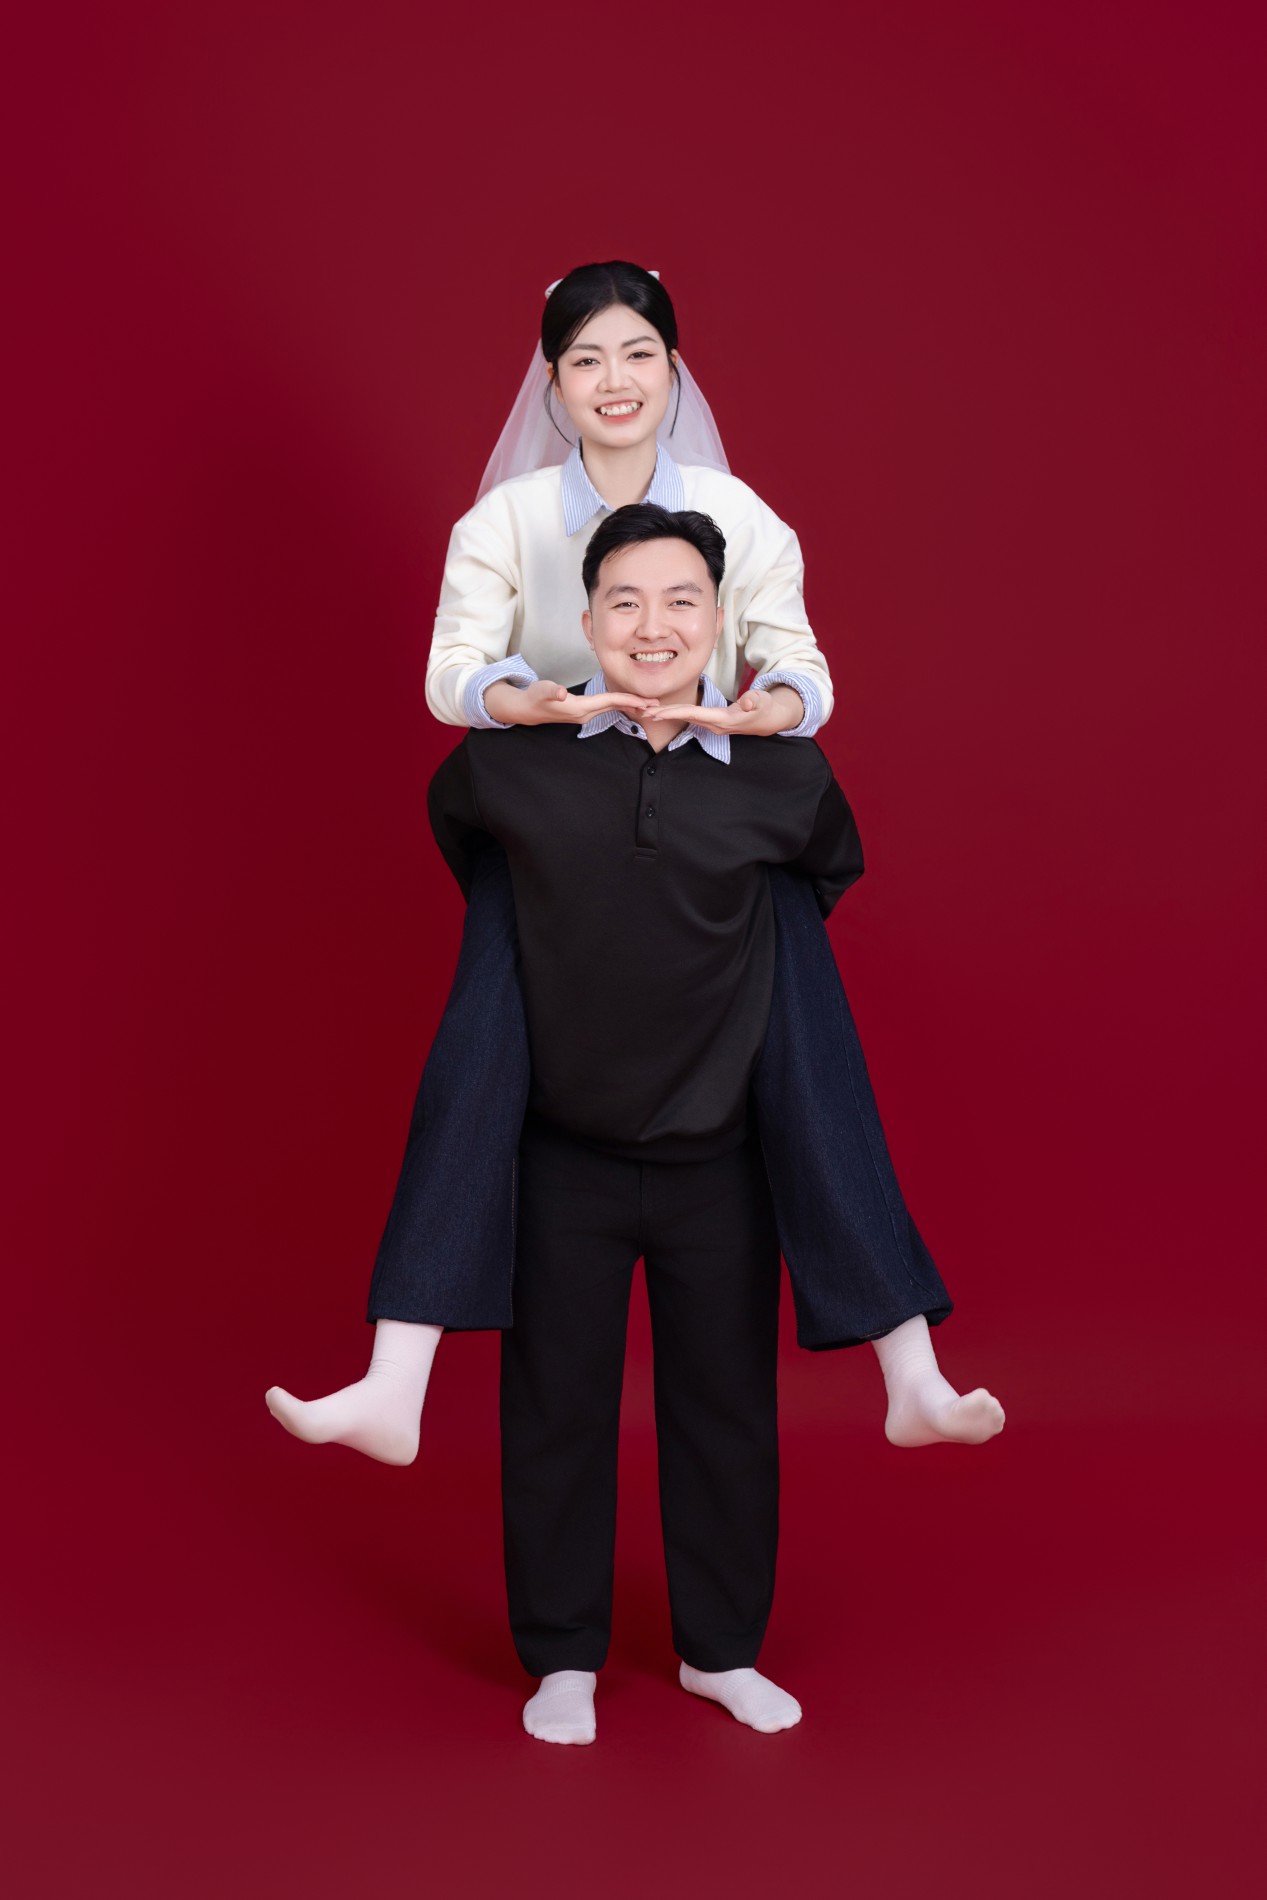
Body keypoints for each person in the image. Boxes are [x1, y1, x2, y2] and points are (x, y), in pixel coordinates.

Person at [265, 271, 1005, 1736]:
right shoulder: (505, 528)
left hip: (714, 1012)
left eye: (641, 354)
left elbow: (803, 692)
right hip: (558, 859)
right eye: (587, 358)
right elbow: (454, 696)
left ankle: (732, 1631)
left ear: (677, 369)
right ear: (549, 381)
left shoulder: (742, 531)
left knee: (724, 1386)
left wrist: (745, 731)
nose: (615, 380)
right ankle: (558, 1645)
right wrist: (542, 723)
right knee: (556, 1393)